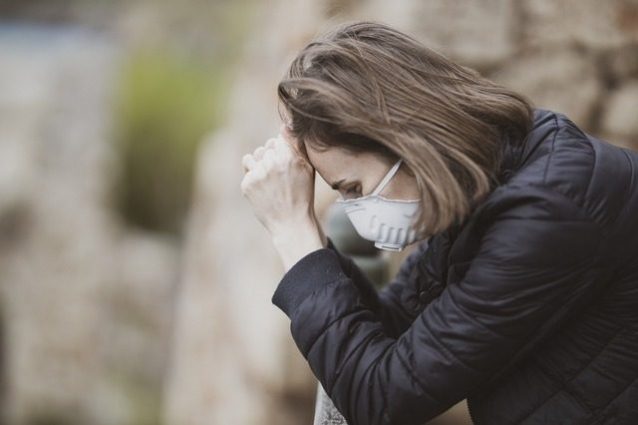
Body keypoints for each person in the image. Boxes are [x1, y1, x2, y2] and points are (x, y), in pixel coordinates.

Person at [240, 20, 638, 425]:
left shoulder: (547, 210)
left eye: (355, 188)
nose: (356, 211)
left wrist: (293, 233)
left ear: (402, 138)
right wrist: (312, 242)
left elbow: (382, 400)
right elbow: (392, 332)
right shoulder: (490, 183)